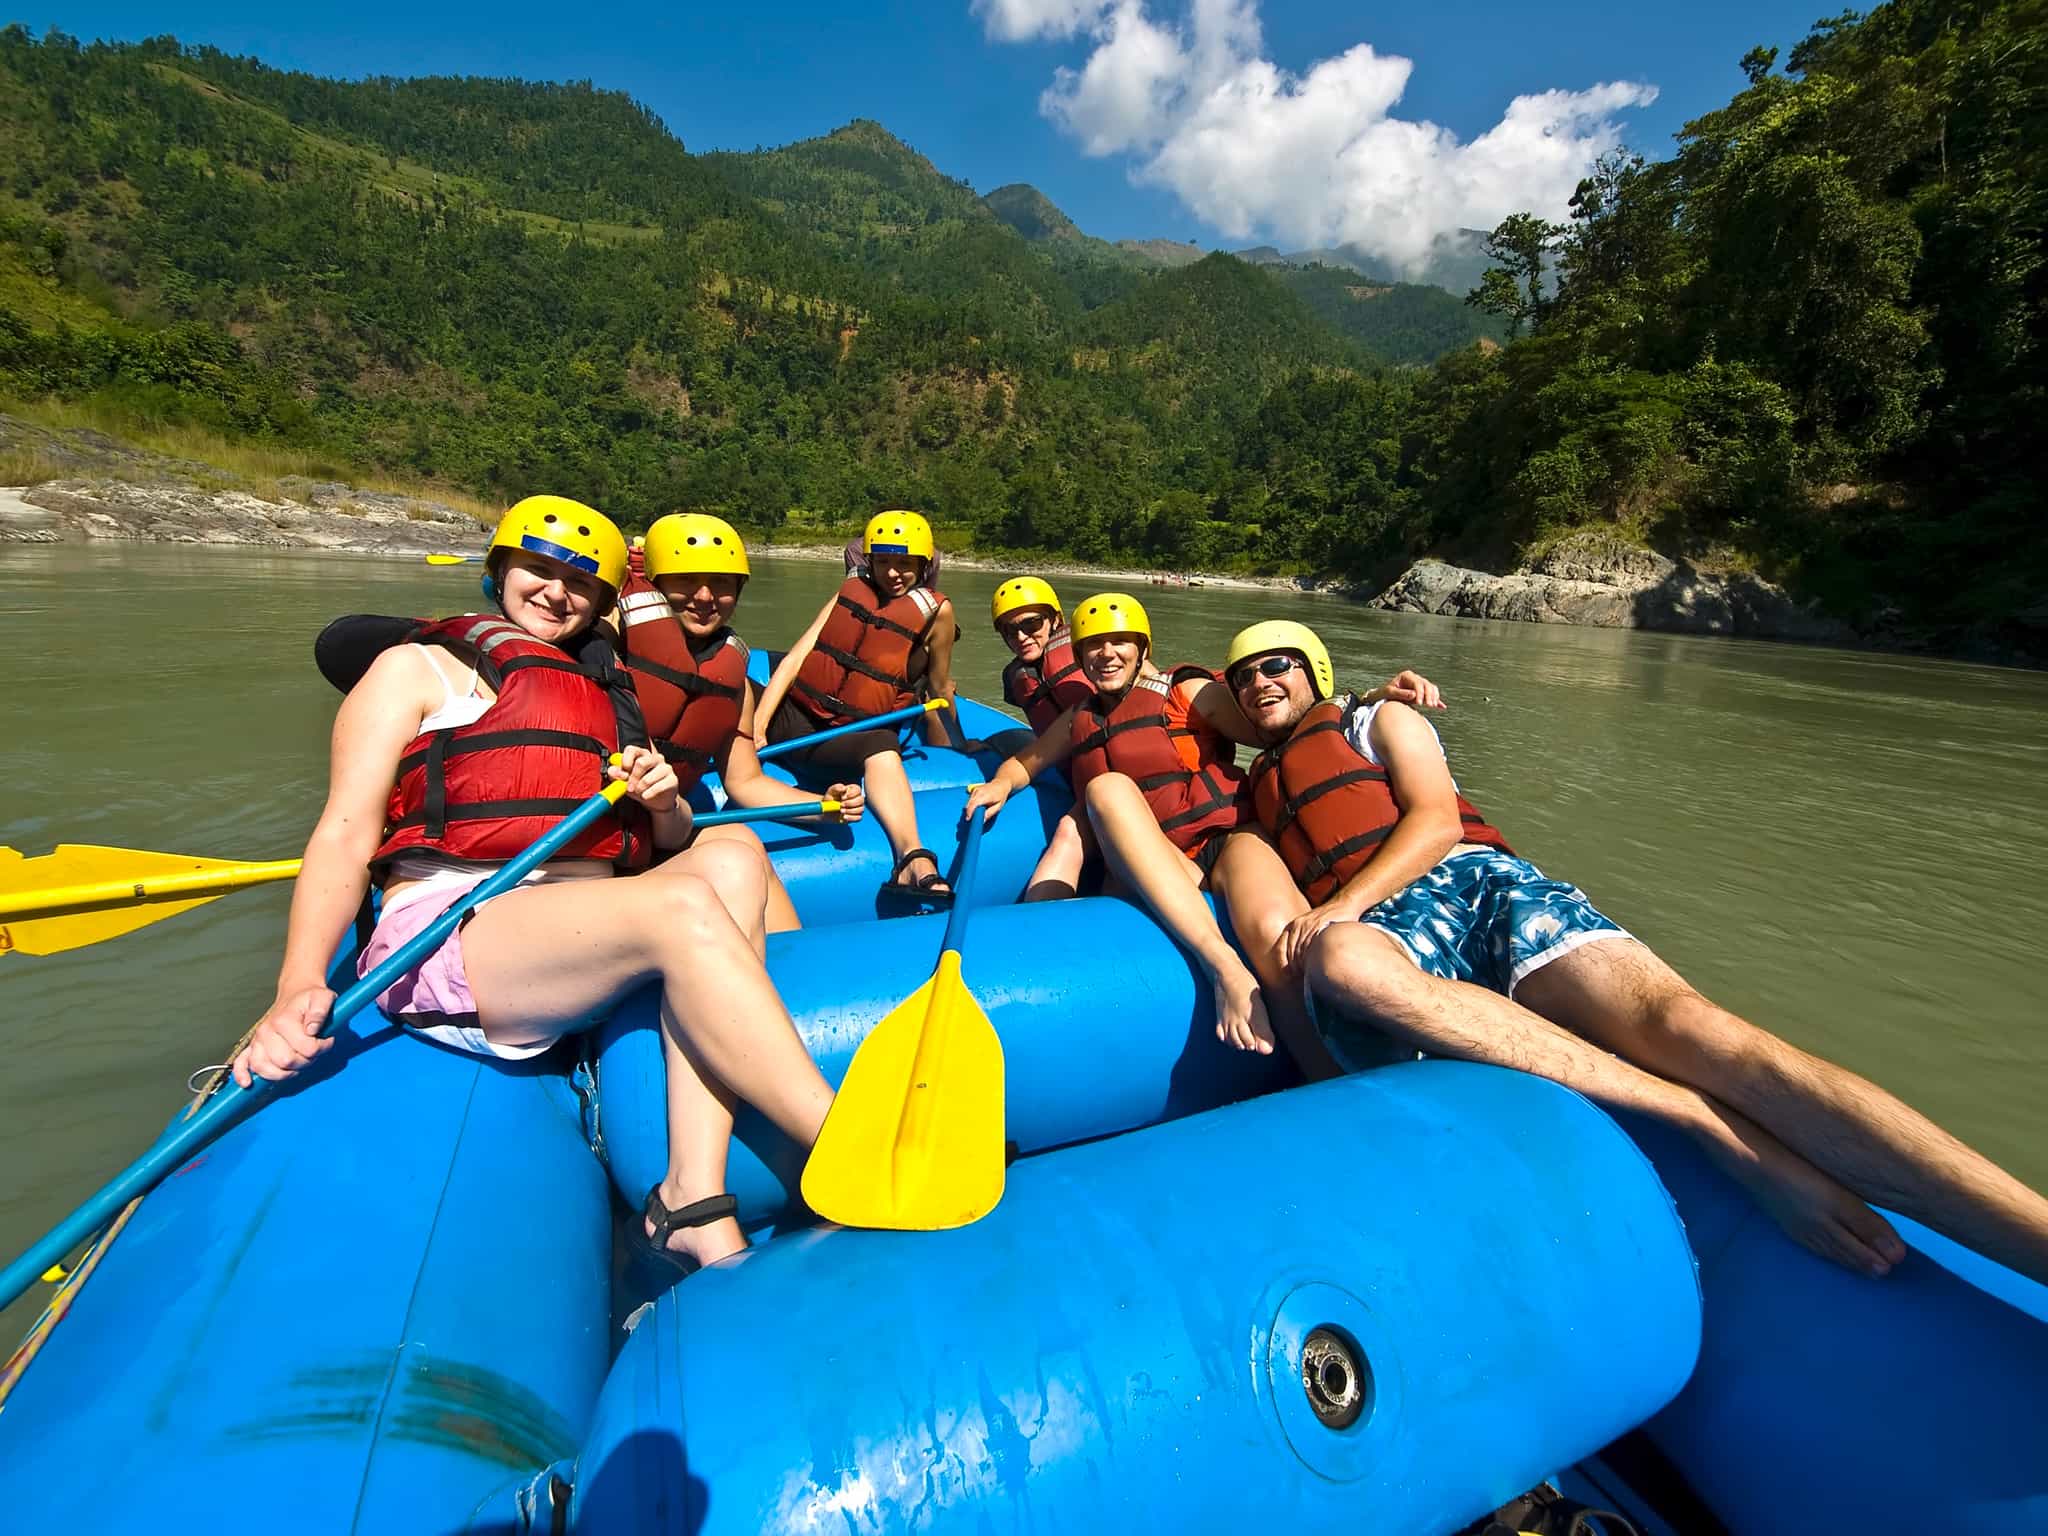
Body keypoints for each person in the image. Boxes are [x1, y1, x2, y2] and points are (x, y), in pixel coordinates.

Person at [1216, 618, 2048, 1284]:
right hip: (1392, 932)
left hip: (1474, 878)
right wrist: (1342, 922)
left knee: (1695, 1027)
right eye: (1245, 674)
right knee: (1343, 964)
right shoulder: (1254, 798)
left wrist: (1343, 902)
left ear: (1317, 672)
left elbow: (1435, 819)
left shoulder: (1376, 717)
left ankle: (2028, 1237)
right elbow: (1180, 700)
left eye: (1278, 663)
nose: (1260, 681)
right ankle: (1692, 1114)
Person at [232, 495, 835, 1277]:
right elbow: (346, 833)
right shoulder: (414, 667)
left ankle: (692, 1195)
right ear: (498, 571)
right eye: (538, 571)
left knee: (736, 854)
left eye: (579, 584)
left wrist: (662, 802)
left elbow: (672, 840)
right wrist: (297, 983)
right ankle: (839, 1135)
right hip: (457, 925)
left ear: (603, 602)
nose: (556, 592)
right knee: (682, 902)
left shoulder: (603, 693)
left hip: (574, 925)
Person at [612, 512, 865, 932]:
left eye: (723, 584)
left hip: (666, 829)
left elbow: (745, 782)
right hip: (600, 840)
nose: (706, 597)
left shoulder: (735, 684)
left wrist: (823, 806)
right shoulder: (610, 654)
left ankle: (792, 981)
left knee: (743, 843)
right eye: (685, 581)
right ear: (654, 585)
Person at [757, 509, 965, 905]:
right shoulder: (850, 590)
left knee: (883, 746)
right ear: (869, 560)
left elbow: (938, 685)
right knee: (734, 685)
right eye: (884, 562)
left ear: (923, 565)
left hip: (843, 741)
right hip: (793, 720)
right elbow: (798, 657)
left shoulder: (938, 612)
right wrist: (759, 725)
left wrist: (960, 743)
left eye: (905, 564)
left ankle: (912, 858)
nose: (893, 574)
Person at [980, 576, 1096, 901]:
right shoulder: (1018, 678)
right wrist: (1000, 780)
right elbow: (1040, 741)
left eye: (1031, 624)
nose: (1021, 636)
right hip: (1079, 784)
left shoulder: (1096, 652)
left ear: (1055, 619)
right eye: (1009, 630)